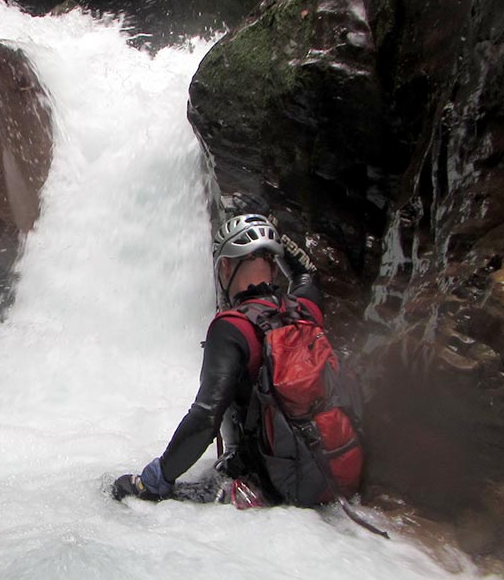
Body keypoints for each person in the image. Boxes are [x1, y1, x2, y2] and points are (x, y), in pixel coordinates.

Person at [112, 201, 339, 508]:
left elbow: (206, 417)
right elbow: (306, 276)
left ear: (226, 267)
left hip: (262, 486)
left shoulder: (233, 327)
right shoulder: (304, 312)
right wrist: (276, 236)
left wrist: (154, 480)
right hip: (326, 475)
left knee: (122, 494)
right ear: (274, 267)